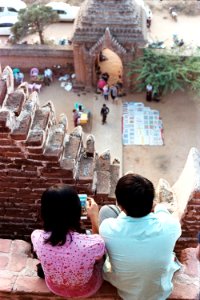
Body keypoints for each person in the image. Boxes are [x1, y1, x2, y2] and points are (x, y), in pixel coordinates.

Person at [99, 173, 182, 300]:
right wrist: (159, 206)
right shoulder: (170, 225)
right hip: (160, 292)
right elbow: (162, 212)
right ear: (151, 202)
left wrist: (93, 216)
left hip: (125, 291)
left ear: (120, 205)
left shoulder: (107, 228)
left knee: (105, 211)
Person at [31, 184, 105, 299]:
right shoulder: (93, 244)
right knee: (100, 258)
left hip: (55, 288)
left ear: (44, 212)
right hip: (86, 290)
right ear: (77, 211)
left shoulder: (36, 237)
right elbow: (100, 245)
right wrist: (94, 218)